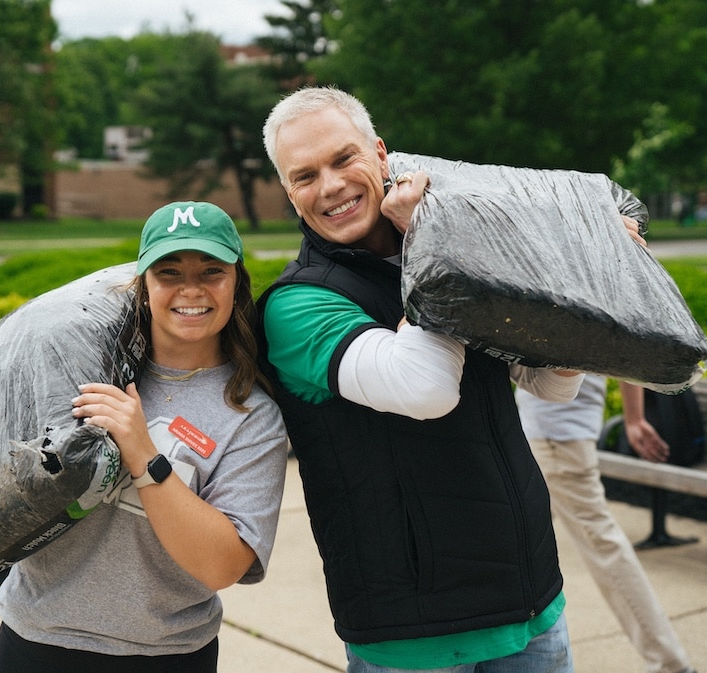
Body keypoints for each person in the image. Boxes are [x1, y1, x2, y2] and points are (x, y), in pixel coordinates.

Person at [258, 85, 591, 672]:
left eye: (343, 158)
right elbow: (427, 389)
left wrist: (585, 289)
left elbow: (551, 384)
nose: (331, 186)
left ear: (381, 154)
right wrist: (432, 244)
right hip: (414, 633)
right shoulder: (298, 305)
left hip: (531, 600)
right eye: (304, 176)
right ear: (289, 192)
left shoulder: (457, 248)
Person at [0, 201, 289, 673]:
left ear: (236, 283)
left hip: (166, 656)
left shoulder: (249, 414)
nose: (191, 289)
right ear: (143, 286)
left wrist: (144, 454)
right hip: (33, 642)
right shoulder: (76, 367)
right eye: (169, 271)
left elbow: (225, 566)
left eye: (211, 271)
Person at [516, 375, 697, 673]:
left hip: (556, 435)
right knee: (520, 544)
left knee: (605, 549)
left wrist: (635, 418)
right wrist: (634, 418)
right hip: (553, 431)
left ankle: (671, 664)